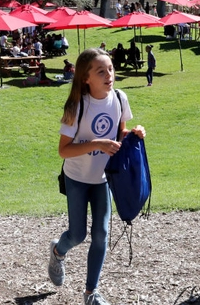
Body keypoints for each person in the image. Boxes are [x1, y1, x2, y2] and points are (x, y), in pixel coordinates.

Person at [48, 48, 146, 305]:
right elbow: (63, 150)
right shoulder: (76, 106)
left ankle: (91, 292)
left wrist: (133, 134)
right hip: (77, 178)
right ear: (85, 78)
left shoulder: (120, 98)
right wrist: (97, 144)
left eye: (110, 69)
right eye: (101, 71)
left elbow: (119, 134)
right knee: (78, 234)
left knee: (101, 233)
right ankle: (58, 251)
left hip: (105, 179)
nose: (109, 75)